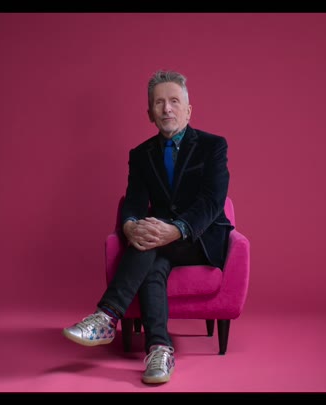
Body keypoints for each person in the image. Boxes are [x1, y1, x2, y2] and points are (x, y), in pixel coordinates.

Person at [63, 69, 233, 384]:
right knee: (152, 259)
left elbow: (212, 202)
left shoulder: (213, 146)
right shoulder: (140, 155)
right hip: (160, 240)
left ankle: (106, 316)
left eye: (174, 101)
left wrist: (176, 229)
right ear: (149, 114)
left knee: (150, 242)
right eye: (158, 103)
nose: (167, 109)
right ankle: (159, 349)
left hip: (200, 238)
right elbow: (134, 202)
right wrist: (129, 226)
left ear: (188, 110)